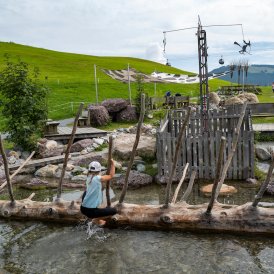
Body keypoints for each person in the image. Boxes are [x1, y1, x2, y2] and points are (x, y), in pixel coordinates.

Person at [80, 159, 117, 226]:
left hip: (83, 209)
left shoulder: (88, 177)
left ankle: (90, 217)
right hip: (91, 211)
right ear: (99, 170)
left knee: (87, 191)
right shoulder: (98, 178)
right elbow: (111, 175)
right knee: (114, 211)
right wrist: (113, 164)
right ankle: (96, 219)